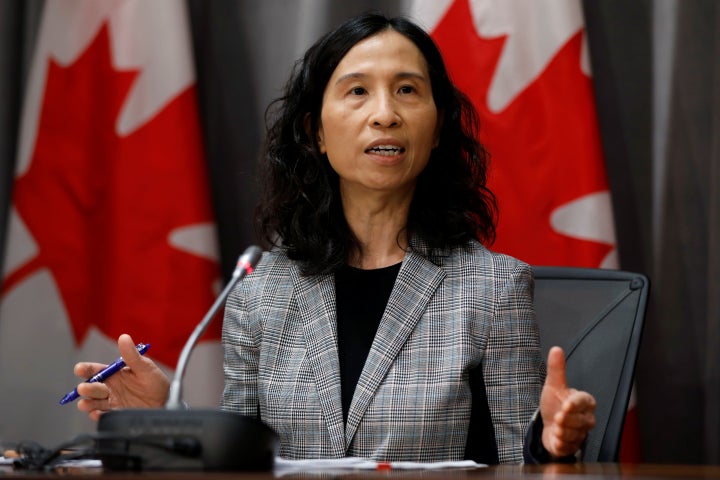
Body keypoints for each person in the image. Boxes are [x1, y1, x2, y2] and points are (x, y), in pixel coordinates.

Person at [72, 12, 596, 464]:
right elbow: (236, 464)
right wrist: (166, 416)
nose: (385, 114)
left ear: (437, 129)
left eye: (408, 90)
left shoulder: (493, 287)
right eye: (358, 91)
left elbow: (524, 463)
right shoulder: (259, 292)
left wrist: (552, 449)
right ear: (316, 132)